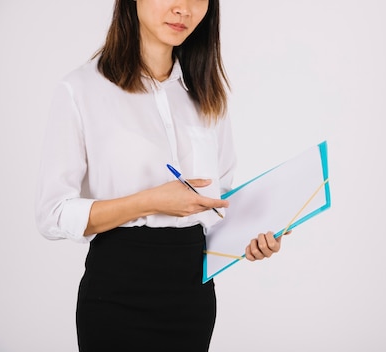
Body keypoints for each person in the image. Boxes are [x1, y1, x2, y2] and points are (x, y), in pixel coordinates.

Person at [35, 0, 285, 350]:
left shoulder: (209, 93)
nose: (183, 8)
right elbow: (53, 214)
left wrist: (249, 239)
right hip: (116, 293)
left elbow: (218, 202)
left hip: (192, 296)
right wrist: (149, 201)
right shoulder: (80, 90)